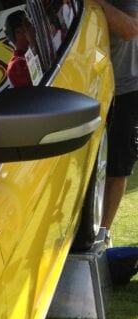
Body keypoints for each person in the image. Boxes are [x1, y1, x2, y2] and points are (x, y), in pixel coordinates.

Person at [93, 0, 138, 241]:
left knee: (117, 166)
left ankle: (103, 232)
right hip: (94, 89)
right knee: (89, 166)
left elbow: (130, 29)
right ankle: (87, 227)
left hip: (127, 90)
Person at [4, 10, 33, 87]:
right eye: (27, 24)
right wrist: (33, 44)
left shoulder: (28, 51)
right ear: (18, 32)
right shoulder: (15, 67)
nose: (31, 25)